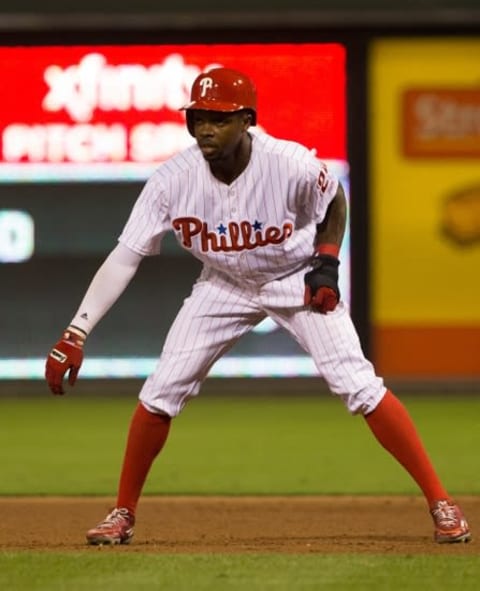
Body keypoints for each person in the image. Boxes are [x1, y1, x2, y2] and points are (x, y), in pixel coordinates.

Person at [45, 67, 471, 546]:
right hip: (222, 283)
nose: (205, 127)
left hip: (292, 277)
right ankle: (121, 513)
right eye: (198, 117)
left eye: (219, 118)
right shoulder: (171, 181)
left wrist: (326, 264)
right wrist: (76, 331)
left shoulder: (286, 161)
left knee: (359, 384)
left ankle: (442, 503)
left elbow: (334, 199)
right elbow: (124, 258)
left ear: (247, 119)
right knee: (159, 391)